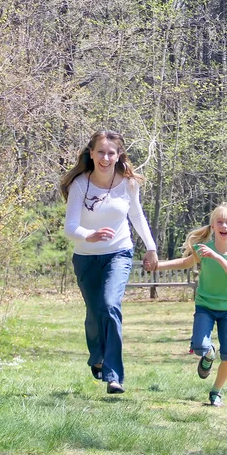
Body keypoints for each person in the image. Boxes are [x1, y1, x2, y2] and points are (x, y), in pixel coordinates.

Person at [61, 130, 158, 395]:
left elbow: (136, 216)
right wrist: (89, 236)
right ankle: (97, 359)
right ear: (91, 153)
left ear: (119, 155)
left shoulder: (128, 183)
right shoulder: (80, 184)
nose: (105, 157)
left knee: (110, 305)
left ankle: (114, 376)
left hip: (119, 252)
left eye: (111, 153)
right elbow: (70, 227)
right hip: (86, 257)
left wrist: (151, 247)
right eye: (100, 152)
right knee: (94, 314)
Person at [146, 203, 227, 407]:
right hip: (205, 306)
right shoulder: (204, 249)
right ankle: (209, 353)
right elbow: (184, 263)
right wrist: (158, 266)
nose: (224, 225)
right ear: (213, 227)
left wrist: (218, 257)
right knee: (199, 346)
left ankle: (216, 392)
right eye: (219, 222)